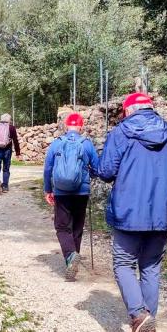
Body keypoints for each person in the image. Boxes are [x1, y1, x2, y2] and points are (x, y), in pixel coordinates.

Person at [98, 93, 167, 332]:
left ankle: (139, 316)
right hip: (162, 211)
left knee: (123, 263)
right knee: (151, 266)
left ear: (128, 111)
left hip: (128, 212)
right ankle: (149, 323)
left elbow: (106, 172)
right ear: (151, 108)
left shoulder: (121, 133)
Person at [43, 113, 100, 281]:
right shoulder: (87, 144)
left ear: (66, 126)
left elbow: (48, 168)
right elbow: (97, 169)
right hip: (81, 192)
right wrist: (89, 174)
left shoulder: (57, 143)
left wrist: (48, 190)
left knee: (62, 226)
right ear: (81, 127)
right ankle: (74, 256)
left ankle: (70, 256)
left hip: (61, 191)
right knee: (77, 226)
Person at [0, 113, 21, 195]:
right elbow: (15, 140)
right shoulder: (11, 127)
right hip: (7, 151)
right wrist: (18, 152)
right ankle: (5, 186)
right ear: (9, 120)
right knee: (6, 169)